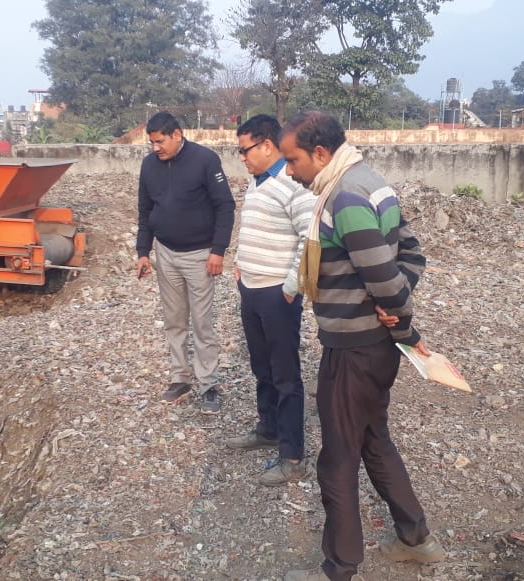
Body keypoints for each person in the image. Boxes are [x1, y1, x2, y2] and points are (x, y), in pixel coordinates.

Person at [277, 111, 445, 581]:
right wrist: (394, 311)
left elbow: (385, 280)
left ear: (320, 153)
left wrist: (398, 313)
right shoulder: (370, 181)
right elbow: (412, 254)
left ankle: (340, 568)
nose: (288, 170)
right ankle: (416, 539)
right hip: (374, 348)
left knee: (337, 460)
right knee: (373, 440)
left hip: (353, 350)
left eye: (292, 160)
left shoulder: (345, 197)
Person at [223, 114, 315, 486]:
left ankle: (292, 456)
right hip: (252, 290)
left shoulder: (293, 184)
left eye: (244, 150)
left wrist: (291, 285)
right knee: (261, 367)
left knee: (285, 375)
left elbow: (309, 238)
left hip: (278, 295)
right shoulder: (258, 182)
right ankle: (269, 429)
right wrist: (241, 264)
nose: (241, 157)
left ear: (266, 145)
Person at [136, 111, 236, 414]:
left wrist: (218, 250)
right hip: (166, 254)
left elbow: (225, 206)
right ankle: (180, 378)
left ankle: (208, 384)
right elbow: (145, 211)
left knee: (202, 323)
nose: (156, 148)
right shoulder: (149, 165)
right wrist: (143, 251)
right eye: (152, 143)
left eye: (160, 142)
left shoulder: (205, 160)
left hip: (200, 256)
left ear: (177, 135)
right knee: (174, 320)